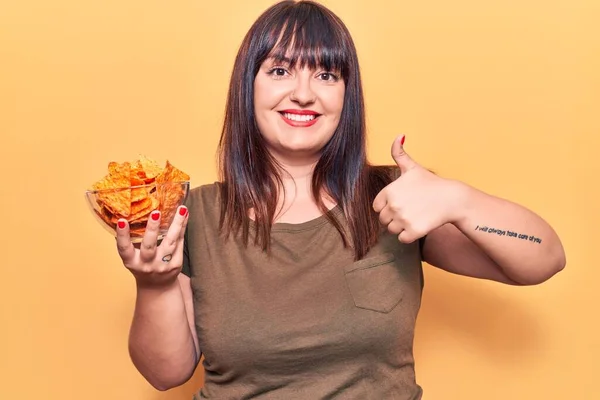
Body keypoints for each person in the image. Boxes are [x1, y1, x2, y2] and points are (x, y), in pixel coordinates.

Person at [113, 1, 567, 398]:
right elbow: (165, 374)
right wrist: (152, 284)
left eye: (326, 74)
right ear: (246, 88)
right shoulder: (195, 214)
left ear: (346, 96)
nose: (304, 93)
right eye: (279, 70)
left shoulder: (397, 199)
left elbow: (544, 258)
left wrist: (460, 200)